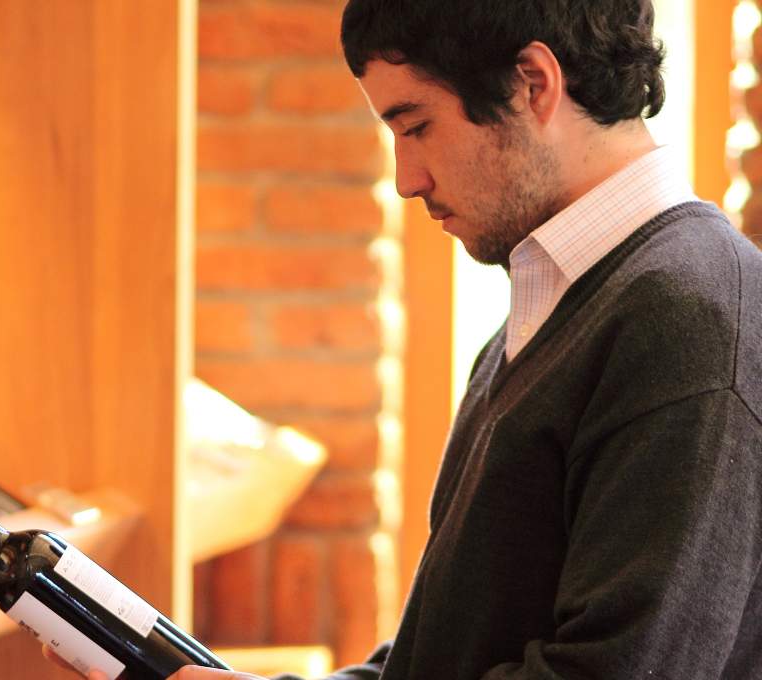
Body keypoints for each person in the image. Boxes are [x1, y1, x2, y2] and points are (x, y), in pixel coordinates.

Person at [47, 0, 762, 677]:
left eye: (416, 126)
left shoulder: (687, 323)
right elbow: (443, 657)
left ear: (533, 84)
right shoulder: (563, 306)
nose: (405, 180)